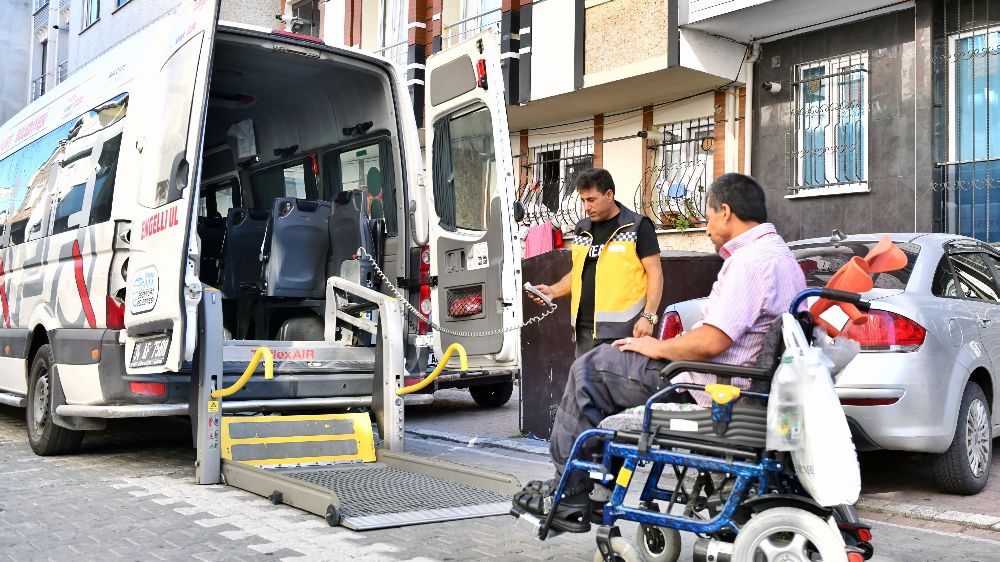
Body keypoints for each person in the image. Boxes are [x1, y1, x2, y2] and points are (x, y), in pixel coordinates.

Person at [513, 173, 807, 531]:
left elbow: (712, 341)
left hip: (707, 386)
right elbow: (578, 275)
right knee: (604, 374)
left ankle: (570, 492)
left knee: (588, 372)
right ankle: (599, 484)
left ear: (726, 212)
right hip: (736, 381)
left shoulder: (748, 263)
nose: (707, 226)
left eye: (709, 215)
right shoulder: (781, 256)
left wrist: (659, 345)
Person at [526, 168, 662, 357]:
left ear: (609, 195)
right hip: (584, 333)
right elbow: (579, 272)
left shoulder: (638, 226)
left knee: (617, 387)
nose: (586, 207)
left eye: (591, 200)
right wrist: (553, 291)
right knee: (585, 386)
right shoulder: (582, 228)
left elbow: (655, 274)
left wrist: (648, 317)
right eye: (583, 201)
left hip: (624, 332)